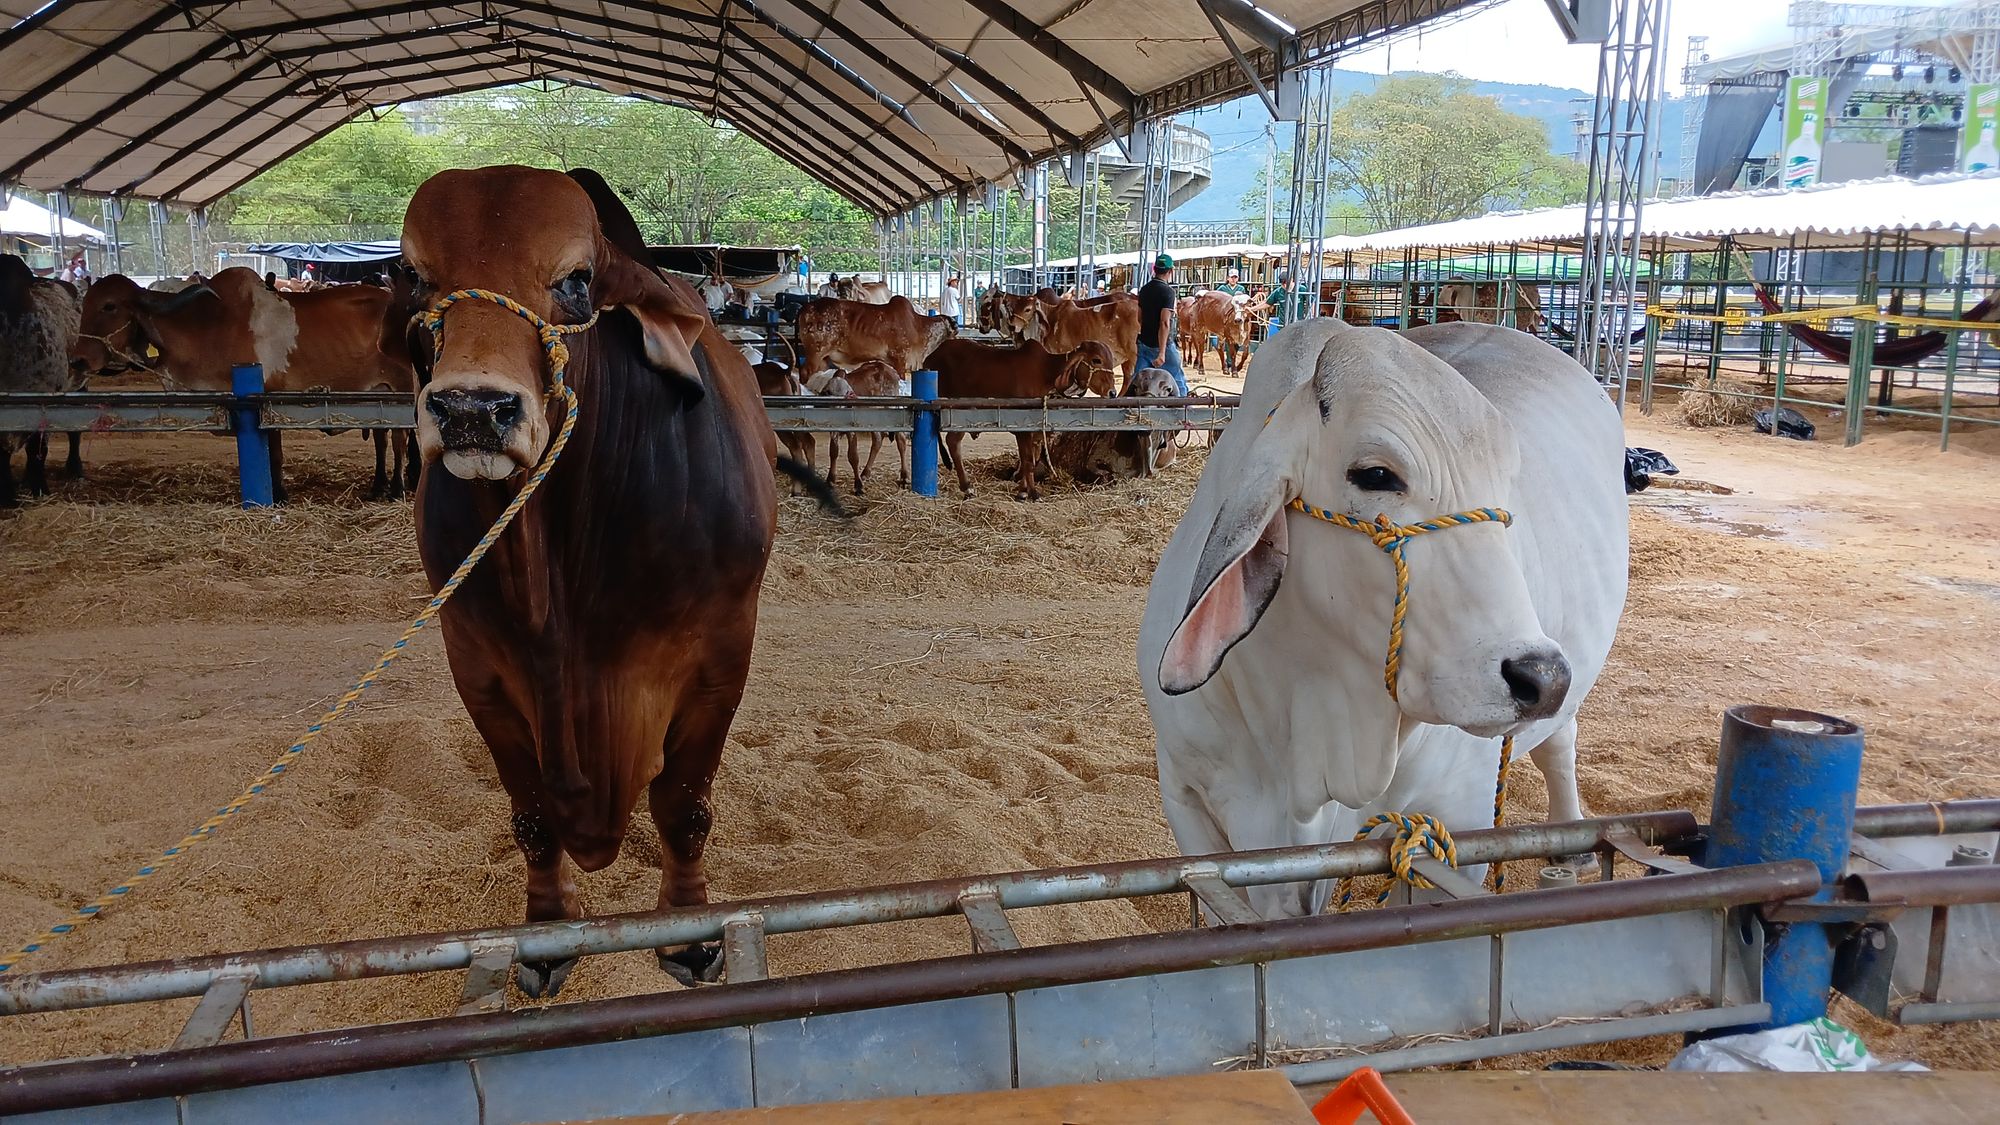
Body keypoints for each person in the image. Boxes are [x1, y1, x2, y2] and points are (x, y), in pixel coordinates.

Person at [1135, 253, 1188, 395]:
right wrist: (1162, 352)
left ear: (1154, 269)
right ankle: (1185, 405)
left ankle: (1133, 406)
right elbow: (1164, 322)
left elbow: (1139, 318)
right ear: (1171, 271)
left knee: (1138, 381)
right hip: (1163, 346)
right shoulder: (1168, 292)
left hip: (1144, 343)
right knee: (1178, 381)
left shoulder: (1144, 290)